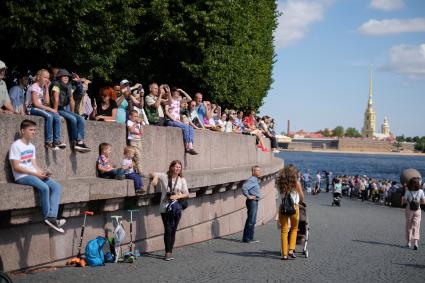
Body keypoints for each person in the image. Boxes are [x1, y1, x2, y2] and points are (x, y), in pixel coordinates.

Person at [9, 119, 66, 233]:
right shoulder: (16, 145)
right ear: (22, 131)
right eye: (31, 130)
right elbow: (16, 167)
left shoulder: (32, 146)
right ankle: (47, 217)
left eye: (34, 130)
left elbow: (34, 164)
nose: (33, 132)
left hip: (33, 174)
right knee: (44, 188)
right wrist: (35, 174)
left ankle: (52, 217)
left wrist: (42, 173)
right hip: (22, 176)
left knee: (57, 186)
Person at [150, 160, 189, 261]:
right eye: (176, 167)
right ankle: (167, 253)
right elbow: (152, 173)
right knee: (168, 229)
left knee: (173, 230)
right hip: (165, 207)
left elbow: (186, 193)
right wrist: (155, 178)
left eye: (179, 167)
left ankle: (170, 251)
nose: (177, 169)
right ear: (171, 167)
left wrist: (177, 195)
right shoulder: (164, 176)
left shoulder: (182, 180)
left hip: (176, 207)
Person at [50, 69, 91, 152]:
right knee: (73, 119)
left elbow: (72, 100)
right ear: (59, 77)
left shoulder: (68, 86)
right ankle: (74, 141)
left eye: (67, 76)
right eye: (63, 76)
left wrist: (72, 113)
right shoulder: (56, 85)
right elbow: (56, 99)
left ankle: (80, 142)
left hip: (62, 108)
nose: (66, 77)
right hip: (55, 108)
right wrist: (55, 111)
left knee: (81, 119)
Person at [25, 69, 66, 150]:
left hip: (39, 108)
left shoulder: (42, 88)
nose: (47, 79)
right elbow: (36, 104)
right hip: (31, 108)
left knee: (56, 116)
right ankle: (48, 141)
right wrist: (50, 110)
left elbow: (46, 102)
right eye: (45, 77)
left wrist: (47, 88)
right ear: (39, 77)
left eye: (48, 78)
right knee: (49, 116)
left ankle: (57, 141)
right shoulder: (34, 86)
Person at [275, 164, 304, 260]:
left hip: (283, 208)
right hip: (294, 208)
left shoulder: (280, 182)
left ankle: (284, 254)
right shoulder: (296, 183)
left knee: (284, 230)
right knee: (294, 229)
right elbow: (301, 196)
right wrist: (300, 201)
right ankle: (291, 250)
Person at [165, 87, 198, 155]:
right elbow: (166, 112)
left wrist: (182, 91)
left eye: (178, 93)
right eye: (176, 92)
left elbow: (189, 99)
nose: (177, 94)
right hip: (170, 121)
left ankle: (190, 145)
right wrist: (173, 119)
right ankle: (187, 147)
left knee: (191, 127)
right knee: (186, 127)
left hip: (177, 121)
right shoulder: (169, 101)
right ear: (173, 93)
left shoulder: (178, 101)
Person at [402, 177, 425, 250]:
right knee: (416, 226)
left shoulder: (408, 191)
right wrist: (417, 203)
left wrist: (410, 202)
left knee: (409, 226)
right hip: (417, 210)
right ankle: (416, 243)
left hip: (409, 209)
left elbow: (404, 201)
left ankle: (408, 242)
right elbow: (424, 202)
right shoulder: (421, 191)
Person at [242, 165, 262, 243]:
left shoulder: (255, 180)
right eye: (257, 170)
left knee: (252, 220)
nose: (259, 172)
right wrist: (248, 196)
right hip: (252, 202)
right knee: (251, 220)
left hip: (254, 201)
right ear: (253, 172)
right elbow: (244, 187)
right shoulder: (252, 180)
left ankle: (250, 238)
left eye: (259, 170)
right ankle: (247, 238)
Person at [127, 110, 144, 174]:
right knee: (138, 156)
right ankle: (140, 171)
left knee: (136, 157)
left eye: (137, 116)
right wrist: (136, 123)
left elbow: (141, 132)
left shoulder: (138, 123)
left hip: (139, 140)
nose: (136, 118)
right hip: (133, 141)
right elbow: (131, 130)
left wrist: (141, 124)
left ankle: (134, 170)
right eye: (135, 116)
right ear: (130, 117)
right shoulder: (129, 122)